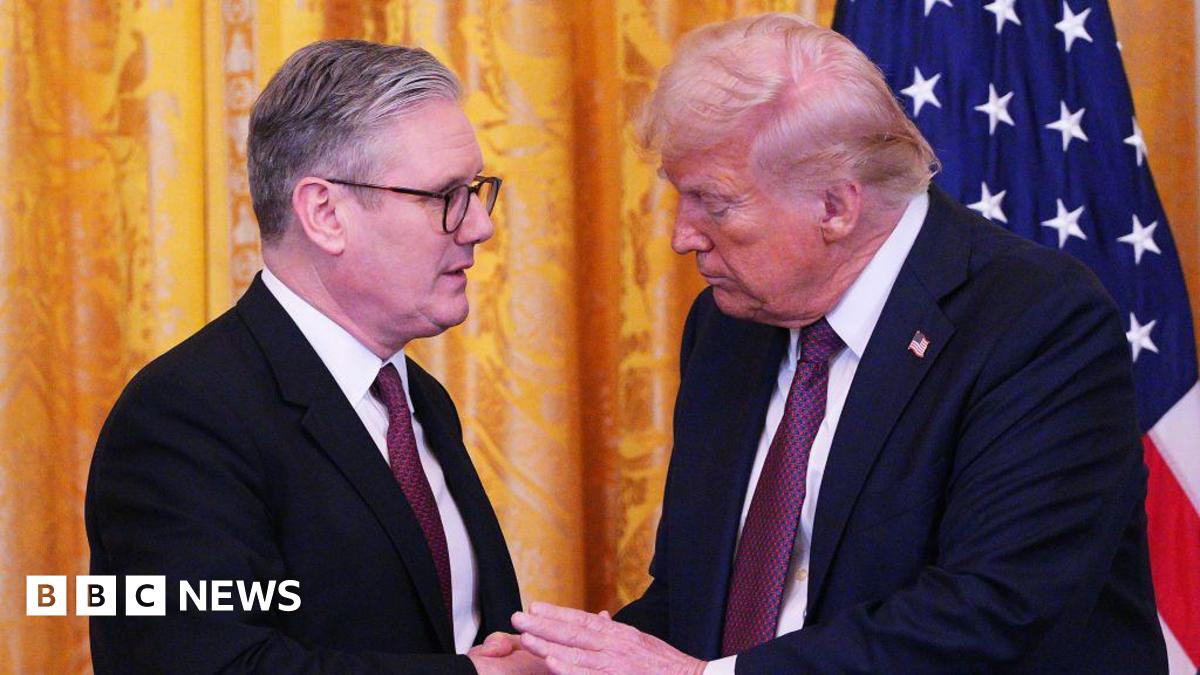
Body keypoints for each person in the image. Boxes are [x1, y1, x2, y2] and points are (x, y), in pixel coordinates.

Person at [509, 13, 1167, 674]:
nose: (683, 236)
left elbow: (992, 613)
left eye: (715, 203)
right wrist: (567, 659)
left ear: (835, 207)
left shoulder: (1035, 324)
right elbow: (697, 600)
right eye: (681, 197)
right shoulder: (728, 325)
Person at [86, 39, 542, 674]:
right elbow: (209, 664)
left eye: (475, 189)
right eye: (444, 197)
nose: (479, 226)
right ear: (325, 213)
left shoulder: (418, 399)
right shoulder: (183, 416)